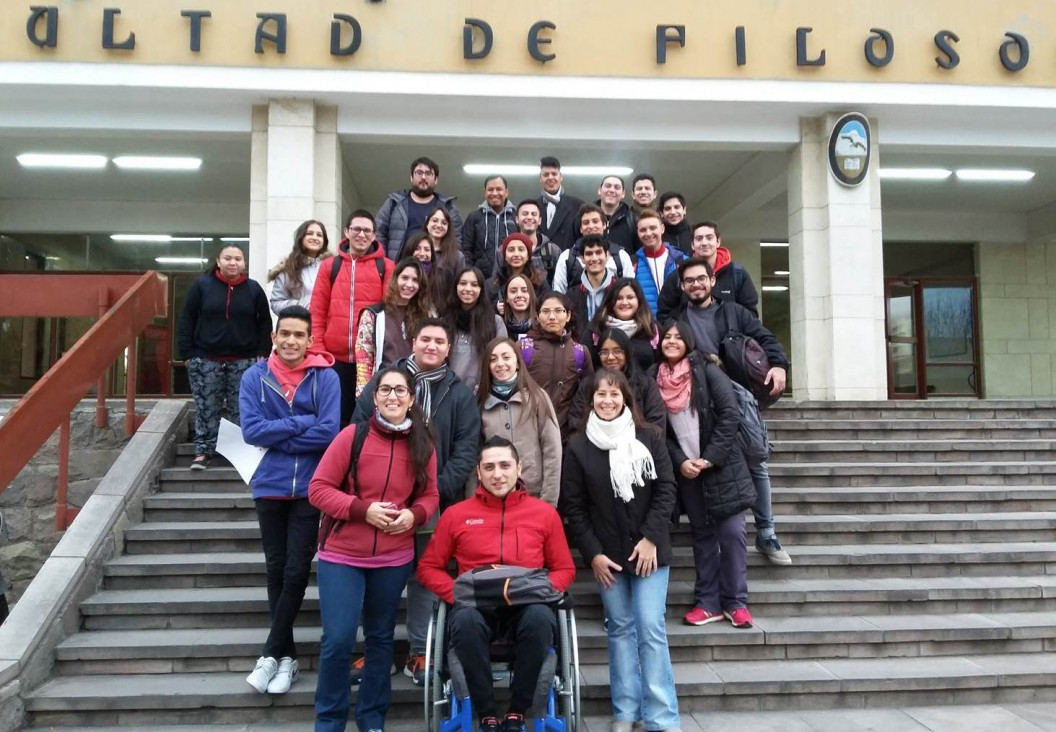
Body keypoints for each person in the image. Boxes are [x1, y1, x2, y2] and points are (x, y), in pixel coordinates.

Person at [309, 367, 439, 732]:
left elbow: (430, 496)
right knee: (338, 639)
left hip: (393, 557)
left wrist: (413, 516)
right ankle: (329, 720)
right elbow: (318, 488)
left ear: (411, 399)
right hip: (343, 554)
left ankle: (371, 719)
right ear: (375, 397)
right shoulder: (354, 435)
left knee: (381, 639)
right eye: (385, 390)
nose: (393, 396)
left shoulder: (423, 443)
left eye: (401, 391)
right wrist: (362, 509)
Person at [352, 319, 481, 686]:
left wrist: (431, 492)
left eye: (440, 341)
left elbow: (466, 450)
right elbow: (358, 430)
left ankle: (419, 650)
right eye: (426, 338)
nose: (432, 346)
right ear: (414, 340)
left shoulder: (459, 393)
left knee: (424, 577)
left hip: (431, 506)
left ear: (447, 348)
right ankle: (376, 651)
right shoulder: (384, 381)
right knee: (377, 577)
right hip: (381, 505)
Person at [417, 437, 576, 732]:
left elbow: (564, 569)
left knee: (542, 618)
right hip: (477, 608)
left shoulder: (544, 514)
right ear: (478, 471)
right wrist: (455, 593)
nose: (497, 474)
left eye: (505, 466)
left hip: (527, 605)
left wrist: (544, 589)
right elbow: (428, 567)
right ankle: (487, 715)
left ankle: (516, 712)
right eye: (489, 467)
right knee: (463, 621)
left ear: (519, 468)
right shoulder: (456, 515)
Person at [560, 369, 681, 732]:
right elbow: (575, 508)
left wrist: (650, 538)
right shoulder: (579, 447)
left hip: (650, 552)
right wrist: (593, 554)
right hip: (608, 558)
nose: (608, 401)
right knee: (620, 630)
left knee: (650, 628)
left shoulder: (649, 436)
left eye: (615, 395)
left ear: (626, 398)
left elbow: (667, 490)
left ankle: (661, 717)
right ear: (591, 400)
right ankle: (626, 712)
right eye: (600, 395)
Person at [239, 305, 341, 695]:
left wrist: (278, 432)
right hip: (268, 484)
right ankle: (287, 657)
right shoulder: (254, 376)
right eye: (286, 334)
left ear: (310, 340)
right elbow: (252, 431)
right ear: (274, 337)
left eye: (300, 335)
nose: (292, 341)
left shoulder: (326, 377)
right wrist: (303, 422)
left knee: (297, 569)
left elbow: (330, 430)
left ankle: (270, 654)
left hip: (311, 487)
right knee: (276, 568)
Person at [671, 257, 792, 566]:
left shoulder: (734, 313)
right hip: (696, 400)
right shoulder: (676, 320)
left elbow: (766, 338)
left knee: (755, 458)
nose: (695, 285)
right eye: (689, 281)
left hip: (737, 395)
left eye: (701, 279)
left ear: (712, 281)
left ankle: (766, 531)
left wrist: (778, 365)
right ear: (682, 287)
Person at [656, 320, 755, 628]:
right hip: (687, 470)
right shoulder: (655, 379)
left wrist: (710, 458)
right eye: (667, 336)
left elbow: (730, 415)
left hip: (720, 466)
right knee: (702, 536)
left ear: (689, 341)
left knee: (732, 533)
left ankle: (736, 602)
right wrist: (680, 461)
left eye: (678, 337)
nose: (671, 341)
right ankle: (708, 601)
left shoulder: (708, 371)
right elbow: (658, 431)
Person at [178, 244, 272, 469]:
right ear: (218, 261)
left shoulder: (253, 289)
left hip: (244, 361)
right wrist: (188, 354)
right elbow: (186, 319)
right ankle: (203, 451)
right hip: (206, 360)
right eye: (228, 258)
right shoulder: (202, 286)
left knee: (241, 408)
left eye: (238, 259)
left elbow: (264, 323)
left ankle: (239, 453)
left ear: (244, 263)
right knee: (206, 407)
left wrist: (262, 353)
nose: (233, 263)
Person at [309, 209, 394, 427]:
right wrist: (319, 352)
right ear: (346, 231)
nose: (362, 235)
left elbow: (389, 313)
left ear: (374, 235)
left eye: (367, 230)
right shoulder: (330, 266)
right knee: (335, 417)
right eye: (357, 229)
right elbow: (317, 312)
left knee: (366, 418)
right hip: (334, 359)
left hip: (367, 360)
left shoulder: (386, 266)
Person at [477, 339, 562, 505]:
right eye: (493, 359)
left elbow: (553, 450)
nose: (500, 364)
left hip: (534, 494)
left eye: (506, 357)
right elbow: (475, 456)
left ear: (517, 362)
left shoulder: (537, 397)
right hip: (494, 498)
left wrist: (549, 501)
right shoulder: (480, 404)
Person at [520, 292, 594, 441]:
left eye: (558, 311)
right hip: (528, 431)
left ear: (568, 316)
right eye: (546, 311)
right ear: (537, 316)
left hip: (566, 433)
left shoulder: (580, 352)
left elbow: (587, 394)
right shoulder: (522, 348)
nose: (552, 317)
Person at [354, 257, 433, 395]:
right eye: (405, 278)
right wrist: (364, 396)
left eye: (415, 280)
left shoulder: (425, 317)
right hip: (383, 390)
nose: (409, 284)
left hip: (415, 390)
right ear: (395, 279)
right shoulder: (373, 315)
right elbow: (364, 360)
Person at [656, 220, 759, 324]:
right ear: (692, 244)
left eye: (709, 238)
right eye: (699, 239)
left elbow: (751, 315)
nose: (704, 243)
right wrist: (681, 333)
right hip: (690, 339)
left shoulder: (737, 274)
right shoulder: (678, 275)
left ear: (718, 241)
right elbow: (664, 314)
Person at [569, 327, 666, 432]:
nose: (610, 357)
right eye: (604, 352)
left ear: (627, 353)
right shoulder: (588, 385)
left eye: (617, 351)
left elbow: (656, 425)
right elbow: (576, 422)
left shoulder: (646, 384)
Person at [375, 156, 463, 259]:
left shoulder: (448, 207)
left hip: (435, 269)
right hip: (399, 268)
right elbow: (378, 232)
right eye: (419, 173)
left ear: (436, 180)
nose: (423, 177)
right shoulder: (394, 202)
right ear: (411, 177)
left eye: (428, 173)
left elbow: (456, 240)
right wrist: (384, 262)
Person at [444, 266, 507, 393]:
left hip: (484, 394)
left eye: (474, 285)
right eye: (463, 283)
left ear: (481, 290)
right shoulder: (444, 322)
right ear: (455, 287)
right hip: (449, 394)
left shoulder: (494, 322)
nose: (468, 289)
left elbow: (502, 357)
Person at [551, 204, 634, 295]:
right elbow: (559, 295)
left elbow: (631, 291)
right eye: (586, 223)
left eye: (595, 221)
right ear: (581, 229)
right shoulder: (567, 257)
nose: (591, 226)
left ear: (604, 225)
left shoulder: (621, 256)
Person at [587, 278, 659, 373]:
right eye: (619, 298)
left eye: (630, 297)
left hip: (644, 386)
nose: (624, 303)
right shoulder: (597, 328)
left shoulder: (652, 328)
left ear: (639, 300)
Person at [268, 220, 332, 315]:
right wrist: (301, 305)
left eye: (319, 235)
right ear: (301, 237)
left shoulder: (332, 265)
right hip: (298, 325)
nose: (314, 238)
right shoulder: (288, 267)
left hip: (326, 325)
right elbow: (276, 303)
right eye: (310, 233)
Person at [565, 235, 617, 343]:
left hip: (611, 352)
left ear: (607, 255)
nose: (594, 258)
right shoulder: (571, 295)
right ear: (582, 259)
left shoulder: (618, 291)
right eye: (589, 254)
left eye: (598, 252)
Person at [463, 175, 517, 278]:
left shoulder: (516, 217)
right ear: (485, 192)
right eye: (490, 189)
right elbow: (466, 249)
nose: (494, 193)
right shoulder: (474, 217)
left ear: (506, 192)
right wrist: (471, 274)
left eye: (499, 189)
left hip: (510, 277)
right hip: (481, 279)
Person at [634, 209, 687, 316]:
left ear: (662, 229)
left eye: (653, 228)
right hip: (647, 329)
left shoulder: (682, 261)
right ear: (638, 233)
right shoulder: (632, 263)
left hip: (677, 328)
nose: (648, 233)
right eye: (643, 230)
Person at [537, 156, 585, 251]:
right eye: (546, 175)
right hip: (539, 263)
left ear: (561, 177)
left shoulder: (578, 205)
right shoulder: (533, 207)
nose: (550, 178)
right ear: (540, 178)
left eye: (554, 174)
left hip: (568, 262)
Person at [513, 199, 561, 286]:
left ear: (539, 220)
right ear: (517, 219)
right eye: (525, 214)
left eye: (533, 214)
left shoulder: (552, 250)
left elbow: (559, 284)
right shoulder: (506, 250)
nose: (529, 217)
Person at [490, 233, 548, 304]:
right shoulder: (495, 283)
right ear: (505, 256)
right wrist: (496, 307)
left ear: (528, 256)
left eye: (521, 250)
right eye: (511, 250)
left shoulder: (539, 282)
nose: (516, 254)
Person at [596, 175, 637, 257]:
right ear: (599, 190)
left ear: (623, 194)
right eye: (608, 186)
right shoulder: (585, 217)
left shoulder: (633, 220)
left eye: (617, 187)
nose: (611, 190)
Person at [501, 273, 537, 341]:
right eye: (513, 291)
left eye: (524, 291)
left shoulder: (541, 325)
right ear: (506, 298)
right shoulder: (499, 326)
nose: (519, 295)